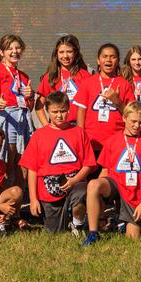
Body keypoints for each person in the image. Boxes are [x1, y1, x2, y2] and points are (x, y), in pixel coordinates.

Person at [83, 102, 141, 245]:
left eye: (140, 122)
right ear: (124, 118)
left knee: (132, 238)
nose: (136, 126)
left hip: (135, 192)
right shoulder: (113, 140)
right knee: (93, 185)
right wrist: (99, 198)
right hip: (115, 184)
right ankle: (93, 233)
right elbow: (105, 170)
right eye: (133, 121)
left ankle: (122, 220)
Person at [22, 92, 98, 235]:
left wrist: (75, 180)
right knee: (55, 232)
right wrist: (33, 199)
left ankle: (78, 223)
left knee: (82, 193)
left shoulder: (78, 132)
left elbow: (89, 164)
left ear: (69, 109)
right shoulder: (39, 135)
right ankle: (64, 221)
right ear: (48, 111)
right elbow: (32, 169)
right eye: (55, 112)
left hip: (75, 181)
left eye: (63, 111)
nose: (59, 115)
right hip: (48, 186)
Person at [0, 34, 34, 181]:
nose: (14, 51)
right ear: (1, 52)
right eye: (10, 48)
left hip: (22, 120)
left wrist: (30, 96)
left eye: (18, 48)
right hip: (6, 118)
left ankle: (18, 193)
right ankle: (4, 192)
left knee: (21, 160)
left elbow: (29, 105)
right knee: (7, 158)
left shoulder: (23, 75)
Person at [73, 43, 136, 156]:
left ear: (117, 61)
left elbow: (132, 114)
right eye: (105, 56)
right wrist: (81, 138)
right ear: (98, 60)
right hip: (91, 142)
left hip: (116, 142)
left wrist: (117, 102)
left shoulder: (123, 84)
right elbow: (81, 112)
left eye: (112, 57)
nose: (108, 60)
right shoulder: (88, 83)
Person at [35, 34, 89, 126]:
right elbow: (39, 107)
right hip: (57, 126)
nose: (65, 56)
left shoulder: (85, 76)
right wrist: (47, 127)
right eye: (61, 52)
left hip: (79, 126)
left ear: (75, 53)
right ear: (56, 54)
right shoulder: (50, 77)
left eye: (69, 51)